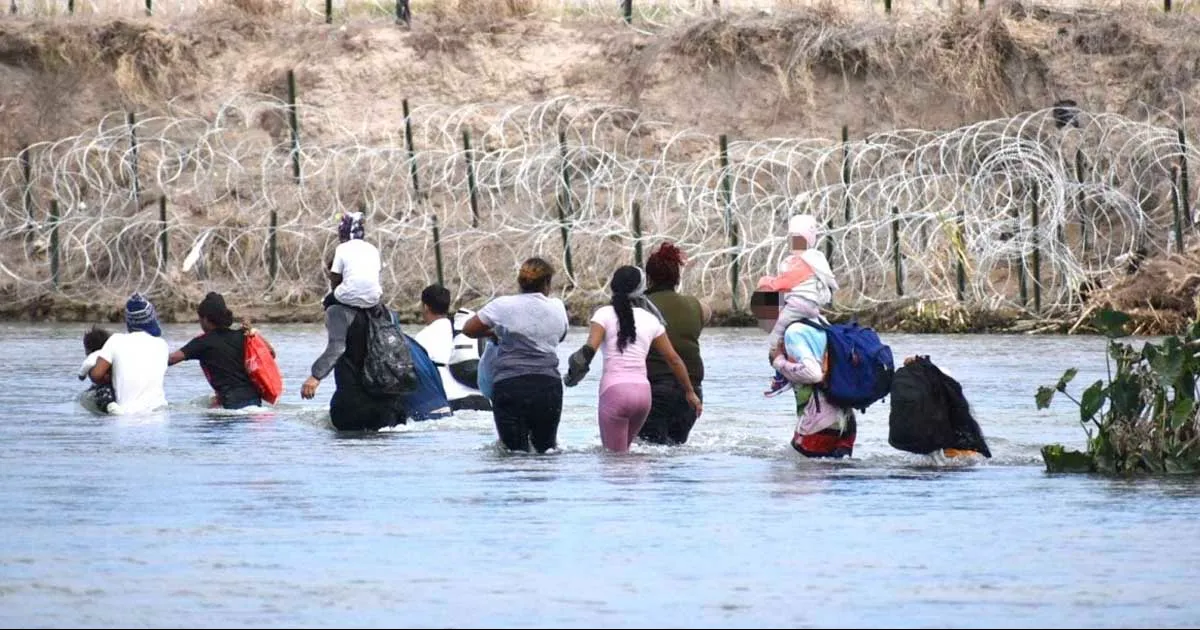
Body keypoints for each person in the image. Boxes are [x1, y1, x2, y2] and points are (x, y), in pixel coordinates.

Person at [565, 266, 702, 452]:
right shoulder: (652, 319)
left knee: (614, 458)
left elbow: (588, 352)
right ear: (641, 289)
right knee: (630, 454)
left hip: (615, 393)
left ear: (613, 286)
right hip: (643, 396)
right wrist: (689, 392)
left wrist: (571, 376)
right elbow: (674, 360)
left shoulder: (603, 314)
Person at [460, 257, 569, 453]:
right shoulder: (557, 307)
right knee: (546, 450)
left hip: (510, 386)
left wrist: (493, 334)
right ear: (547, 283)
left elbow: (468, 329)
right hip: (548, 387)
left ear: (520, 282)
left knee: (513, 452)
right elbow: (559, 337)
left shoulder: (502, 306)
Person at [303, 277, 408, 431]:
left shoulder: (337, 312)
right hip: (390, 407)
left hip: (352, 407)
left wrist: (315, 376)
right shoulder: (387, 314)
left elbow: (337, 347)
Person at [637, 242, 709, 446]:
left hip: (654, 389)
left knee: (650, 454)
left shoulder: (638, 307)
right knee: (675, 452)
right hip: (693, 392)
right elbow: (704, 317)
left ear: (648, 277)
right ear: (677, 277)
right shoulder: (697, 306)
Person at [758, 214, 838, 398]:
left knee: (776, 334)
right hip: (810, 306)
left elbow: (785, 283)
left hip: (798, 303)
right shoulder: (813, 260)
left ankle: (780, 376)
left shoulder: (802, 262)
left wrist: (767, 282)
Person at [168, 292, 276, 410]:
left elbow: (171, 359)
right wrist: (254, 333)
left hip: (231, 403)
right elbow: (271, 353)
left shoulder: (202, 342)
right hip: (254, 399)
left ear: (205, 319)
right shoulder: (243, 335)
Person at [770, 318, 855, 459]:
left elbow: (813, 374)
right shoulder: (823, 327)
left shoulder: (794, 333)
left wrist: (778, 361)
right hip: (846, 421)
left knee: (799, 477)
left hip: (818, 423)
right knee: (837, 474)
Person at [413, 284, 492, 412]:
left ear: (425, 307)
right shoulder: (464, 328)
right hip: (483, 401)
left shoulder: (422, 338)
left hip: (453, 402)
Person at [87, 293, 169, 415]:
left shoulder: (115, 340)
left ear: (129, 322)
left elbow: (97, 375)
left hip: (125, 415)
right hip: (159, 415)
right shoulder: (162, 345)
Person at [325, 211, 382, 309]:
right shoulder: (373, 249)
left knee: (327, 302)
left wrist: (335, 290)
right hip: (373, 298)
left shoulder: (342, 248)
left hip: (347, 296)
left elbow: (335, 277)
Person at [78, 326, 117, 413]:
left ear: (88, 349)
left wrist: (81, 376)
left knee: (102, 394)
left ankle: (109, 405)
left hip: (103, 384)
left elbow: (86, 365)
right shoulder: (111, 354)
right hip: (115, 382)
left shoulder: (93, 356)